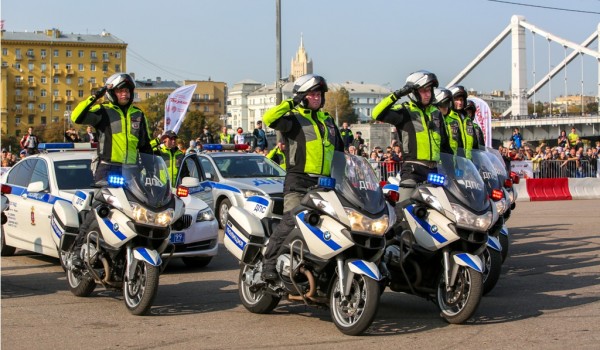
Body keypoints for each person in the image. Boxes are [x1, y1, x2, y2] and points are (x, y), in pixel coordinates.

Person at [261, 73, 344, 282]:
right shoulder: (293, 120)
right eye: (312, 94)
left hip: (325, 184)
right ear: (303, 96)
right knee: (292, 221)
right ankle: (268, 263)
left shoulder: (328, 121)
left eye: (319, 94)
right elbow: (268, 119)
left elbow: (342, 154)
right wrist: (293, 101)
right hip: (299, 181)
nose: (316, 98)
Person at [70, 72, 154, 265]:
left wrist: (152, 172)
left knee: (138, 210)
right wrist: (97, 95)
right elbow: (77, 116)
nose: (124, 94)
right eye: (120, 90)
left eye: (127, 91)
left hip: (132, 170)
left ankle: (127, 250)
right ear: (112, 92)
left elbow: (145, 146)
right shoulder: (103, 111)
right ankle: (77, 251)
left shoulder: (138, 115)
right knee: (100, 209)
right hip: (107, 168)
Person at [372, 70, 452, 200]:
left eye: (429, 90)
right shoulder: (405, 111)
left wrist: (454, 168)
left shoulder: (436, 114)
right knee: (404, 209)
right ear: (414, 92)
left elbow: (445, 145)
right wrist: (398, 94)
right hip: (412, 169)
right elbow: (376, 114)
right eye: (423, 91)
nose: (427, 94)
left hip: (434, 171)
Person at [447, 85, 478, 156]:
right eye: (457, 100)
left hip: (468, 163)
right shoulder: (447, 118)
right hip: (452, 162)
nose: (460, 102)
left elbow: (475, 145)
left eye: (461, 100)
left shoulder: (468, 120)